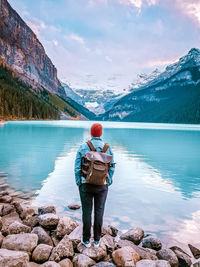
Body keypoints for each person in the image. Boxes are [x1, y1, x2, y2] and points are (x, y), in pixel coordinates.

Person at [74, 123, 115, 248]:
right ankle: (97, 240)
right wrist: (108, 182)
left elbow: (77, 167)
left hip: (86, 184)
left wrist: (79, 182)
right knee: (99, 211)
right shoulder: (107, 148)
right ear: (100, 133)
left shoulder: (83, 147)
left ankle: (86, 240)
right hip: (102, 186)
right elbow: (112, 167)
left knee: (86, 212)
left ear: (91, 133)